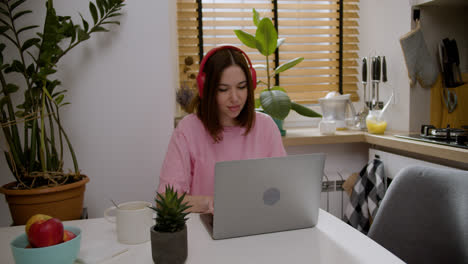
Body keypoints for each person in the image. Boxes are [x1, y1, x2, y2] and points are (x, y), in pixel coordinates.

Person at [157, 45, 286, 213]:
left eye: (241, 87)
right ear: (207, 90)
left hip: (257, 224)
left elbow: (282, 189)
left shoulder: (266, 126)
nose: (235, 98)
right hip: (206, 228)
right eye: (223, 89)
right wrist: (210, 203)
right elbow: (165, 201)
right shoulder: (188, 129)